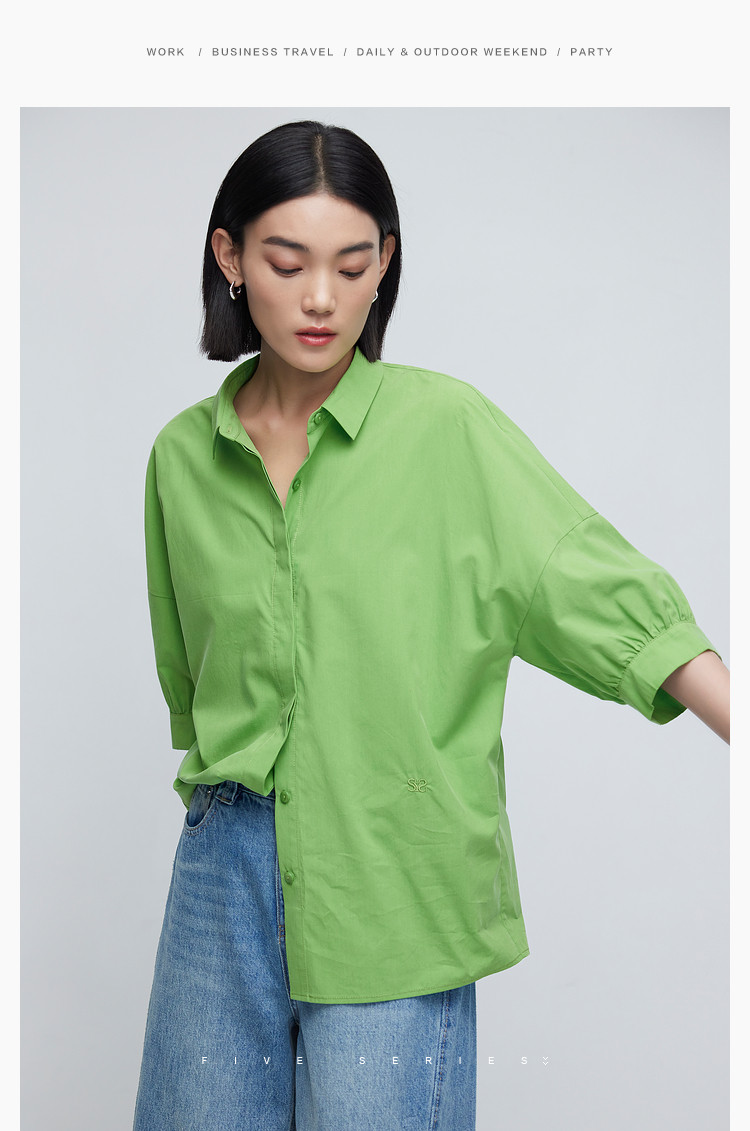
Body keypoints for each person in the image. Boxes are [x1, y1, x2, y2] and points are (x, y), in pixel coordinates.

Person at [132, 120, 729, 1131]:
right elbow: (189, 676)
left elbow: (582, 580)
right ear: (230, 258)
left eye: (351, 265)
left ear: (384, 266)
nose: (321, 299)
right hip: (220, 868)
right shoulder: (181, 459)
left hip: (393, 868)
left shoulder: (446, 429)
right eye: (287, 262)